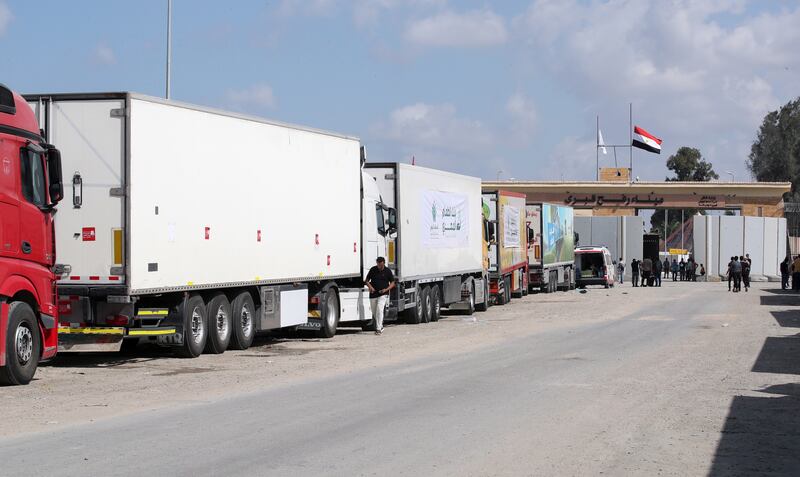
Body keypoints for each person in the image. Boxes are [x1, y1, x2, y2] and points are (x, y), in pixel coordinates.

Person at [365, 257, 395, 334]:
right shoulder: (373, 269)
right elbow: (366, 281)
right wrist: (370, 287)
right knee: (374, 312)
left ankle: (378, 329)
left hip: (383, 294)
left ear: (383, 263)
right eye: (378, 265)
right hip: (373, 294)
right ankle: (380, 325)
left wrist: (386, 289)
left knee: (379, 309)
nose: (379, 267)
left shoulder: (388, 271)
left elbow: (392, 283)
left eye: (381, 265)